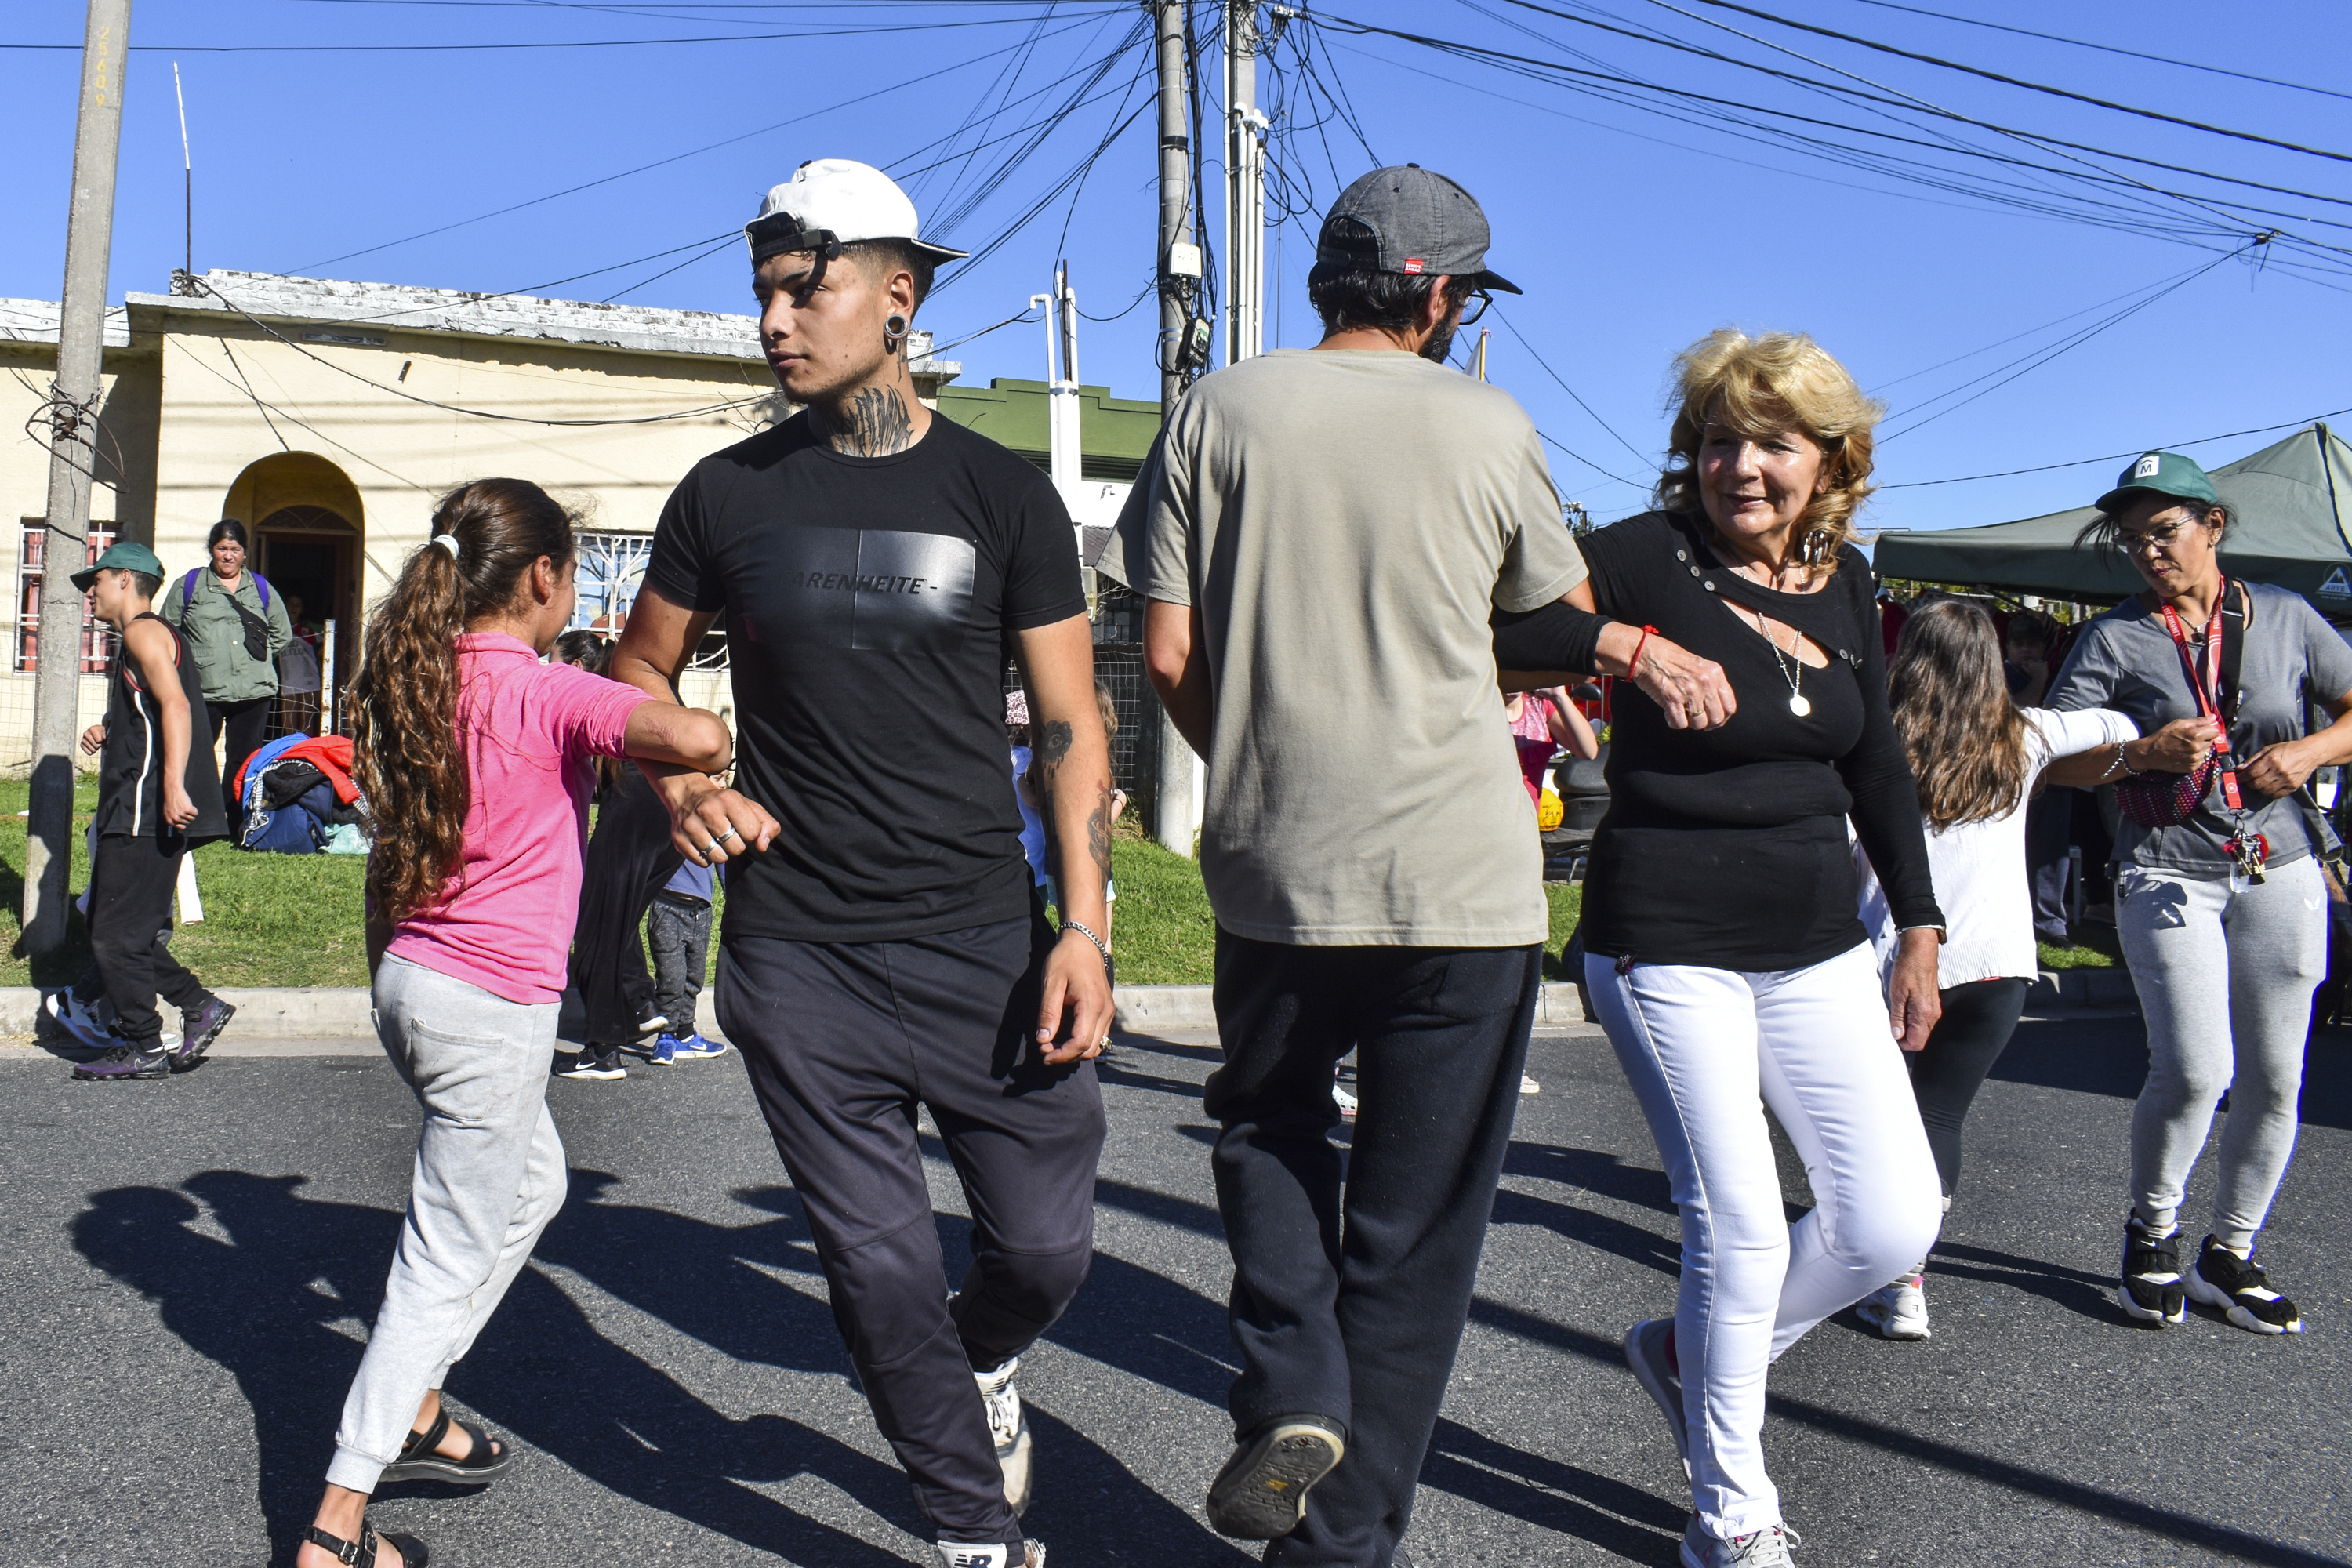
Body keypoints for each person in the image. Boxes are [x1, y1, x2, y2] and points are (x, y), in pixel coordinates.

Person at [1128, 165, 1730, 1566]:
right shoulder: (1486, 424)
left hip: (1280, 863)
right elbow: (1556, 625)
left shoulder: (1215, 410)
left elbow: (1164, 649)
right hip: (1461, 878)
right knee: (1418, 1225)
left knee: (1268, 1124)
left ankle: (1292, 1384)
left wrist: (1264, 752)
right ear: (1446, 298)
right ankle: (1338, 1549)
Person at [609, 158, 1113, 1568]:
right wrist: (676, 783)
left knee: (1047, 1253)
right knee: (879, 1268)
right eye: (764, 289)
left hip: (985, 945)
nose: (775, 318)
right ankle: (968, 1533)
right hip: (797, 952)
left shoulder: (1004, 498)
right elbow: (632, 677)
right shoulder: (725, 497)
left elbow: (1072, 728)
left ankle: (976, 1370)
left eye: (804, 285)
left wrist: (1087, 926)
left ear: (899, 296)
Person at [293, 478, 734, 1568]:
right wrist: (661, 720)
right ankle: (336, 1525)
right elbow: (696, 730)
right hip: (489, 1007)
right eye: (575, 573)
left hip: (413, 983)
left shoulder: (415, 674)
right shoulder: (544, 691)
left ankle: (421, 1403)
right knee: (438, 1261)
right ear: (543, 579)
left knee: (532, 1185)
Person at [1572, 328, 1945, 1568]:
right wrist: (1624, 645)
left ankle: (1691, 1353)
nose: (1741, 467)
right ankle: (1733, 1506)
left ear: (1831, 461)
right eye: (1719, 440)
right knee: (1733, 1226)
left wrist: (1922, 927)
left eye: (1772, 444)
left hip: (1817, 944)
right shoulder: (1644, 555)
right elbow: (1495, 622)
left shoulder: (1846, 578)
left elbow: (1877, 763)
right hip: (1665, 940)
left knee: (1894, 1223)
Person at [2042, 450, 2352, 1337]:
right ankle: (2153, 1229)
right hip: (2166, 866)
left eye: (2164, 530)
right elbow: (2056, 760)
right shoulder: (2115, 637)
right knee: (2194, 1069)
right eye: (2132, 538)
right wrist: (2139, 753)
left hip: (2279, 863)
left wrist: (2308, 753)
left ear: (2212, 525)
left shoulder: (2287, 616)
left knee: (2280, 1074)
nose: (2148, 550)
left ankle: (2233, 1250)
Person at [1850, 599, 2135, 1340]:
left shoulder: (1871, 742)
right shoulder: (2029, 735)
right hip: (1999, 965)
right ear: (1990, 663)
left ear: (1907, 656)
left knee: (1878, 1122)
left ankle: (1867, 1256)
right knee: (1940, 1115)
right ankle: (1907, 1279)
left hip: (1890, 957)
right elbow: (2118, 726)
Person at [57, 541, 239, 1080]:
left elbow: (179, 706)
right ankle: (196, 1007)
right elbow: (158, 709)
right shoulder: (148, 636)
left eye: (98, 580)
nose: (90, 592)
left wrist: (173, 786)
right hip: (137, 805)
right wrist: (111, 729)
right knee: (121, 932)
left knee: (113, 937)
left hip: (142, 810)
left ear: (125, 582)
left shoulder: (142, 630)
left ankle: (146, 1044)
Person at [162, 518, 292, 823]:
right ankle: (197, 815)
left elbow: (282, 633)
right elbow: (167, 633)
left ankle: (234, 817)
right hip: (204, 689)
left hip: (253, 690)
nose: (229, 556)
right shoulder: (190, 586)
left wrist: (257, 657)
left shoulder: (260, 588)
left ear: (244, 552)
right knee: (197, 755)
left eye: (235, 549)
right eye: (222, 548)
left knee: (243, 758)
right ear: (212, 550)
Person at [644, 855, 727, 1065]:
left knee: (694, 978)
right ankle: (665, 1036)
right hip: (667, 906)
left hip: (701, 911)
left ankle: (686, 1033)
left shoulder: (712, 823)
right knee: (671, 977)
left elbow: (723, 860)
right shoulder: (668, 820)